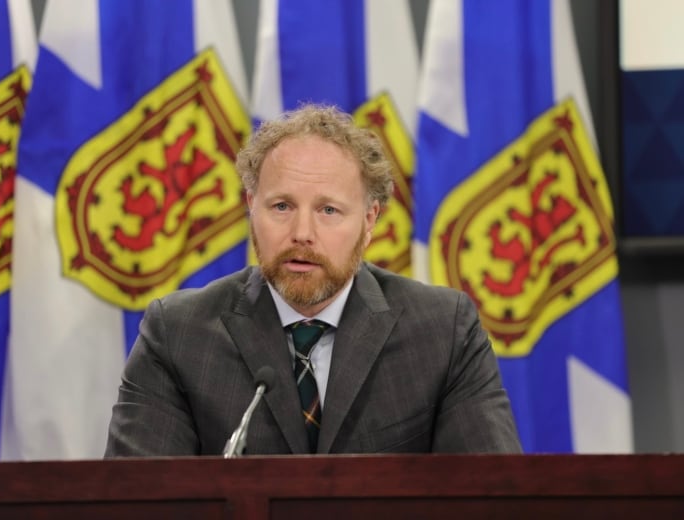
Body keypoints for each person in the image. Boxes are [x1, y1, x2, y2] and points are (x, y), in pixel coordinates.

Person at [104, 104, 522, 456]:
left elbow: (494, 496)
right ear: (252, 206)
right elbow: (139, 501)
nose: (302, 233)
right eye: (282, 206)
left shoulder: (442, 332)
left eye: (328, 211)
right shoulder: (178, 335)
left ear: (369, 219)